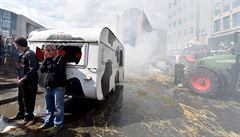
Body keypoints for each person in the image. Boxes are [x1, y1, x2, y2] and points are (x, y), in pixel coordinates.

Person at [9, 37, 39, 125]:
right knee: (21, 99)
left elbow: (33, 69)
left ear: (18, 44)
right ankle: (21, 114)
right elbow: (22, 68)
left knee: (28, 100)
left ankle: (28, 117)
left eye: (15, 45)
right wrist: (19, 77)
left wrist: (23, 79)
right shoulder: (24, 54)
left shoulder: (30, 54)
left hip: (29, 83)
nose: (15, 47)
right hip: (23, 82)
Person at [38, 44, 66, 133]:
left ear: (55, 51)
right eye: (46, 51)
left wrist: (49, 59)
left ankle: (58, 124)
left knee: (59, 106)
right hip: (48, 86)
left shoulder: (61, 59)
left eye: (49, 50)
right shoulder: (48, 59)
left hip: (58, 87)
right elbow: (42, 69)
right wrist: (45, 59)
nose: (47, 52)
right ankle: (48, 122)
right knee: (49, 106)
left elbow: (57, 69)